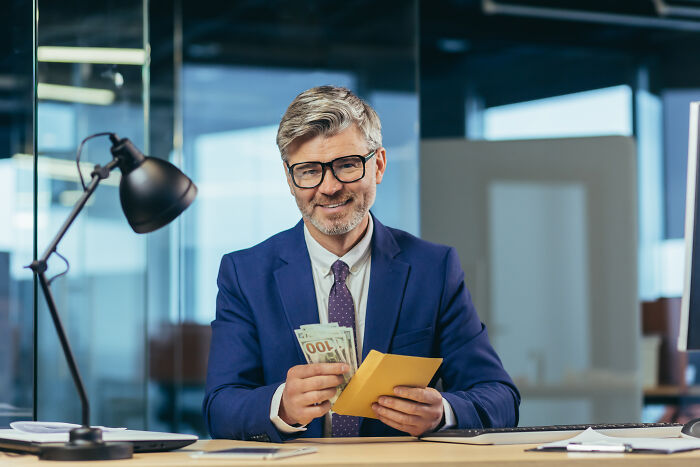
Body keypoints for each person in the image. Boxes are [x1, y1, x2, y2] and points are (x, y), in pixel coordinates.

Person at [203, 86, 519, 442]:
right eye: (308, 170)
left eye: (347, 165)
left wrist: (442, 412)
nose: (329, 187)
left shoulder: (434, 268)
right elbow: (219, 408)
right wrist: (281, 406)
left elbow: (501, 397)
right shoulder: (245, 274)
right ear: (289, 179)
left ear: (378, 165)